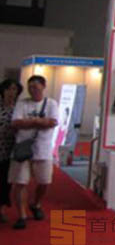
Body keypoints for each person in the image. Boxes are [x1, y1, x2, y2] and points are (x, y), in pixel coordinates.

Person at [9, 75, 58, 230]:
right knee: (20, 182)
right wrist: (38, 121)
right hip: (22, 149)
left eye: (35, 87)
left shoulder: (51, 103)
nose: (32, 90)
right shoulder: (22, 104)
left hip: (43, 149)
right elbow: (16, 123)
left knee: (44, 182)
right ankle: (22, 216)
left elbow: (52, 122)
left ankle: (36, 204)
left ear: (43, 86)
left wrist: (29, 122)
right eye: (30, 87)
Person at [0, 79, 23, 223]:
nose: (11, 92)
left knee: (4, 182)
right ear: (2, 91)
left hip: (9, 152)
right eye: (8, 89)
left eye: (14, 89)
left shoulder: (19, 109)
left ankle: (1, 210)